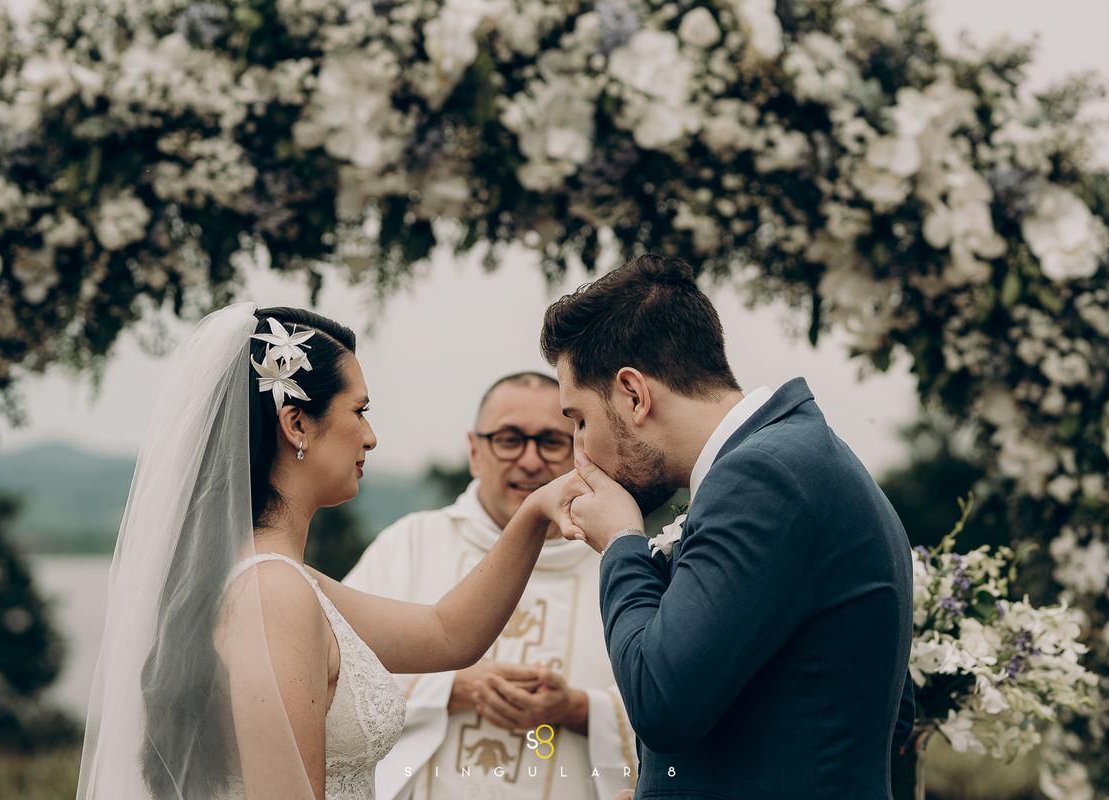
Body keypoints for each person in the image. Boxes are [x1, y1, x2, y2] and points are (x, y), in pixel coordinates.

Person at [76, 304, 580, 800]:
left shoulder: (279, 578)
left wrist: (535, 512)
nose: (371, 436)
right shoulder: (273, 592)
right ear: (296, 425)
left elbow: (447, 634)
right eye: (359, 411)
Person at [538, 255, 916, 799]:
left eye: (578, 419)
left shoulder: (763, 478)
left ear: (633, 394)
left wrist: (622, 543)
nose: (579, 452)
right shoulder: (801, 458)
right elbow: (877, 712)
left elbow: (660, 703)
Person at [342, 372, 637, 800]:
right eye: (509, 439)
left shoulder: (618, 558)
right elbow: (332, 676)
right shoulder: (410, 544)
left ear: (580, 449)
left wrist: (577, 708)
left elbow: (675, 699)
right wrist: (446, 688)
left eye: (551, 441)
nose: (531, 461)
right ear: (475, 452)